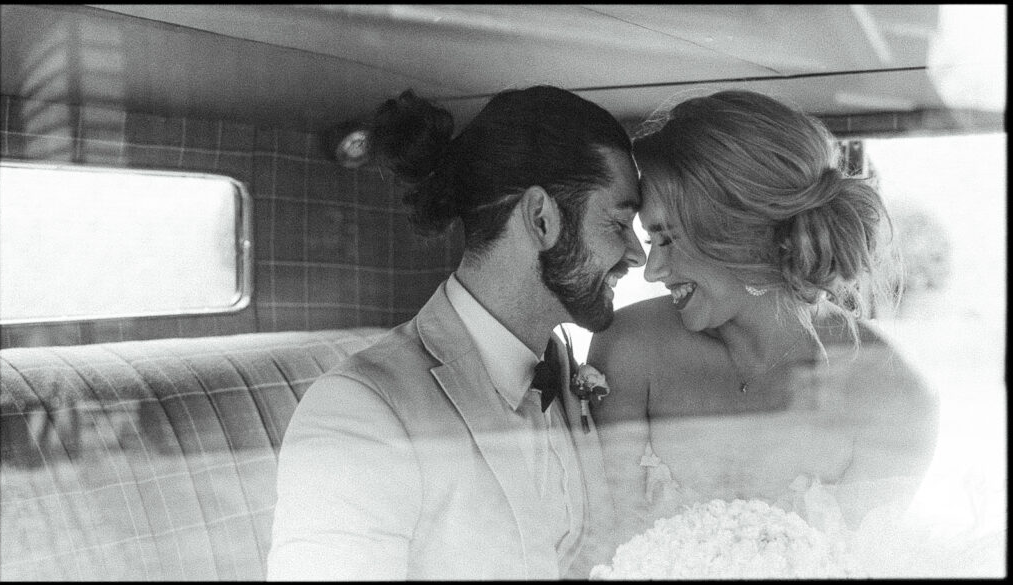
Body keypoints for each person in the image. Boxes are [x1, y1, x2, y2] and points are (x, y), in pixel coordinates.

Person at [266, 86, 646, 580]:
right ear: (540, 218)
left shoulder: (563, 370)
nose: (638, 255)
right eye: (618, 224)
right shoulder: (361, 410)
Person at [587, 90, 940, 550]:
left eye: (668, 238)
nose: (652, 270)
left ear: (750, 236)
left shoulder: (892, 397)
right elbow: (599, 551)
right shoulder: (628, 347)